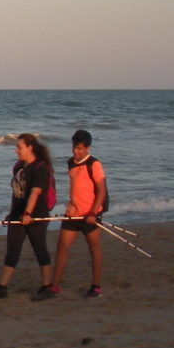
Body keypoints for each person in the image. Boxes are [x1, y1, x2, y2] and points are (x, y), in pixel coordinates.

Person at [0, 133, 56, 300]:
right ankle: (2, 287)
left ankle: (47, 286)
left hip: (36, 215)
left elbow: (35, 192)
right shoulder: (19, 167)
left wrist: (28, 213)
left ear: (30, 148)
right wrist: (13, 213)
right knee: (12, 251)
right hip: (18, 216)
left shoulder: (41, 168)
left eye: (19, 147)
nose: (16, 150)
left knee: (40, 249)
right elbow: (17, 193)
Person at [50, 128, 107, 298]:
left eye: (80, 148)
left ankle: (96, 286)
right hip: (72, 213)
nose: (76, 151)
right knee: (62, 246)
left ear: (87, 148)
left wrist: (93, 213)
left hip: (90, 215)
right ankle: (55, 285)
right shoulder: (71, 162)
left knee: (93, 248)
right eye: (74, 147)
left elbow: (101, 191)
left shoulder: (94, 164)